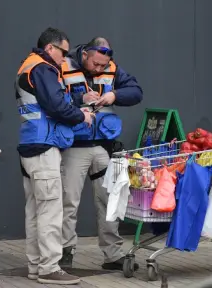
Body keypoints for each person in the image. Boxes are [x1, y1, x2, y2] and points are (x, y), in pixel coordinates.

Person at [16, 27, 94, 285]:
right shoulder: (44, 68)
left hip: (30, 144)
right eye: (63, 51)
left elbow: (51, 99)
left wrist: (79, 96)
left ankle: (36, 265)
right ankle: (50, 267)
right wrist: (82, 114)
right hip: (44, 147)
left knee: (35, 211)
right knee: (50, 209)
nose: (65, 57)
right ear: (50, 48)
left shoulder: (29, 66)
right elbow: (56, 105)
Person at [59, 37, 143, 270]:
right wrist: (79, 99)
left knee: (109, 200)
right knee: (69, 202)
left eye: (103, 66)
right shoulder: (63, 66)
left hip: (103, 146)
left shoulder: (112, 67)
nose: (99, 69)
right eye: (96, 64)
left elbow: (136, 92)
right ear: (85, 54)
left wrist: (115, 95)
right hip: (74, 146)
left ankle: (112, 254)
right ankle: (65, 253)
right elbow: (52, 98)